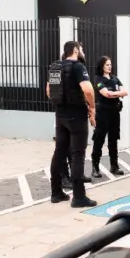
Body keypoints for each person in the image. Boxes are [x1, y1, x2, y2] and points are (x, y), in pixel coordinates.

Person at [45, 40, 97, 208]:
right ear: (75, 50)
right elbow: (88, 90)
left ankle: (56, 193)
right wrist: (92, 107)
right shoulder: (78, 67)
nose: (83, 52)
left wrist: (61, 104)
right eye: (81, 49)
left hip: (60, 115)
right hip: (76, 116)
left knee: (59, 152)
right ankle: (79, 197)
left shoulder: (55, 67)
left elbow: (49, 91)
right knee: (77, 155)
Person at [90, 55, 128, 179]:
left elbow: (125, 92)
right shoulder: (98, 79)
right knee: (99, 139)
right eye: (107, 64)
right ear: (102, 66)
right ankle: (95, 167)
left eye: (110, 64)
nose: (110, 66)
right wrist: (117, 94)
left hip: (114, 112)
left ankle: (114, 166)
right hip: (103, 112)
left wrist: (113, 94)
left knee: (113, 139)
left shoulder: (115, 78)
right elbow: (105, 94)